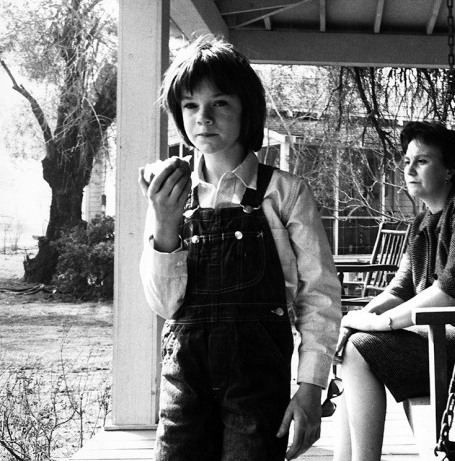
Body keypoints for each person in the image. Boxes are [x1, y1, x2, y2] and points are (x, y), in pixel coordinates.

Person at [138, 35, 342, 461]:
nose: (204, 117)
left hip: (258, 380)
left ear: (246, 108)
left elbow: (319, 295)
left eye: (220, 103)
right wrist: (165, 223)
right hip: (184, 381)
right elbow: (164, 304)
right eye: (191, 105)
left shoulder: (286, 193)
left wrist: (310, 388)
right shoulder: (168, 193)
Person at [333, 121, 455, 461]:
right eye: (407, 161)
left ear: (450, 169)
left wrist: (382, 323)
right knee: (352, 342)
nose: (409, 169)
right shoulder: (422, 222)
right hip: (449, 339)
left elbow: (449, 292)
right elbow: (400, 289)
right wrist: (354, 321)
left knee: (359, 349)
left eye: (422, 161)